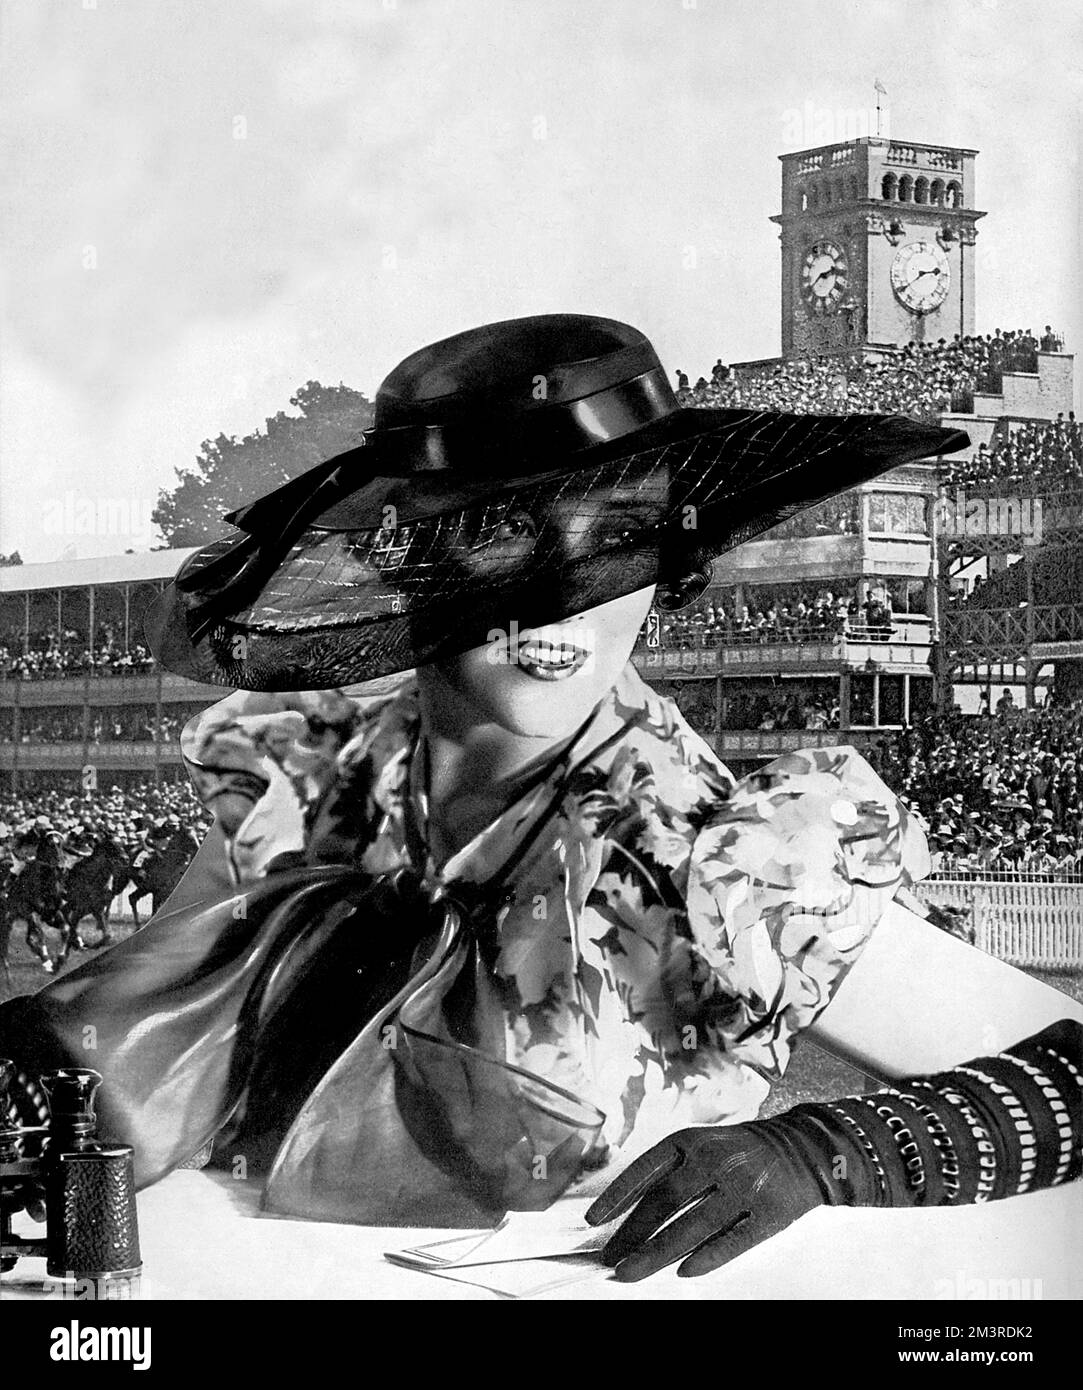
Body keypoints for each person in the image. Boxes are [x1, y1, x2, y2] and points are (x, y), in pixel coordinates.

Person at [1, 315, 1079, 1283]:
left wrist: (827, 1152)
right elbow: (93, 1071)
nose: (567, 600)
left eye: (617, 540)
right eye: (502, 535)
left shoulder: (723, 854)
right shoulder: (312, 781)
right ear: (413, 561)